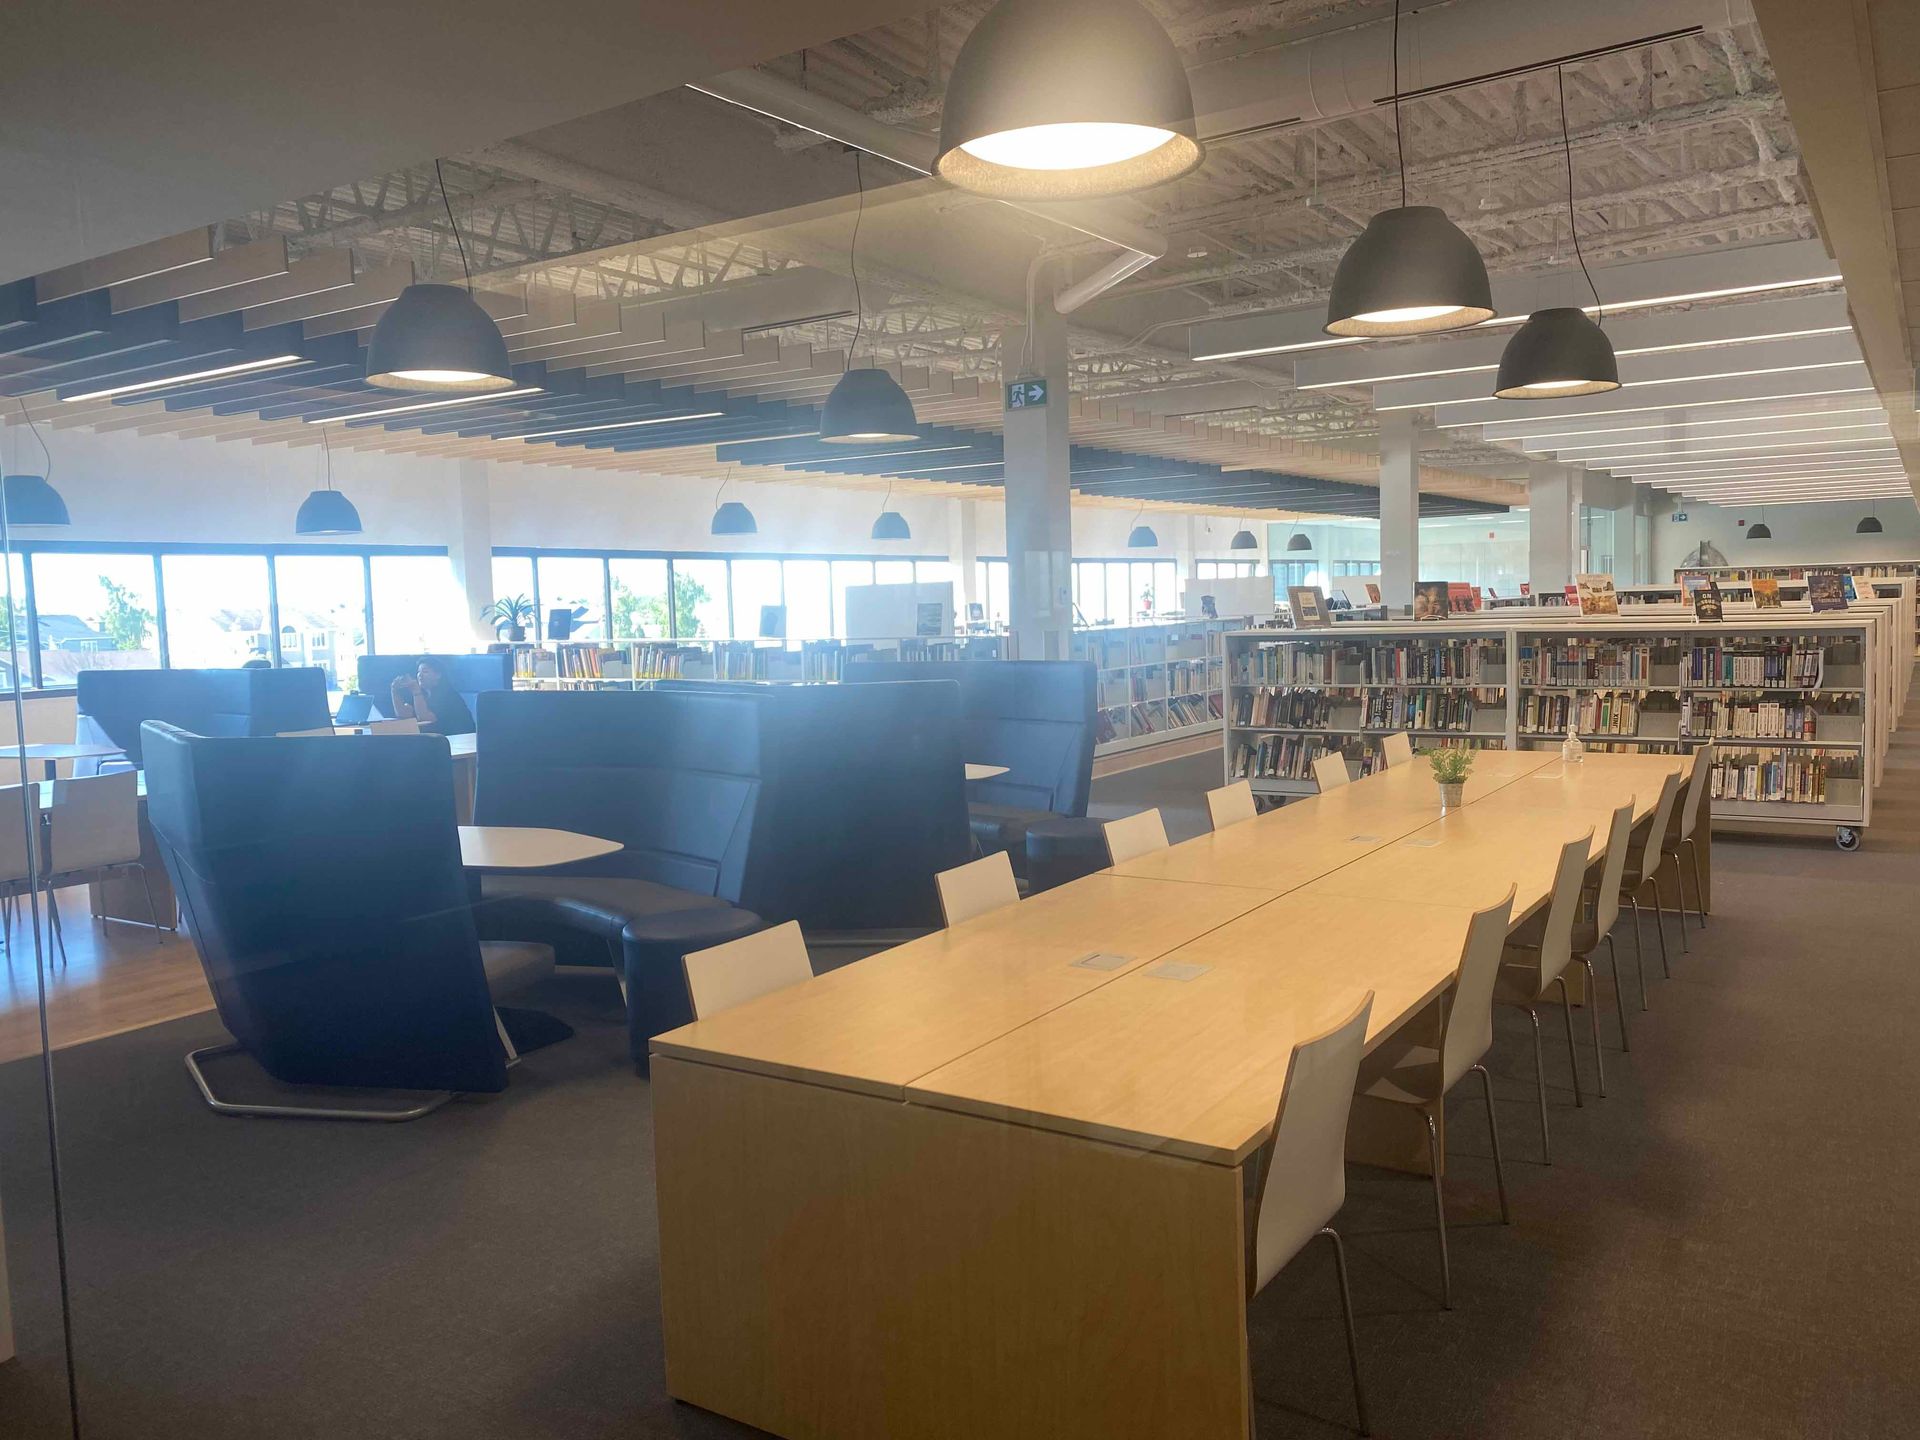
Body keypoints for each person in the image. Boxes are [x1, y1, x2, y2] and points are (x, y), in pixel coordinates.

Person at [388, 656, 475, 736]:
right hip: (437, 739)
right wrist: (394, 691)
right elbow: (404, 714)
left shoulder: (448, 696)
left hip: (459, 740)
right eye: (418, 672)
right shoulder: (423, 694)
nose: (420, 675)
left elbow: (425, 719)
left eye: (425, 672)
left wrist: (416, 691)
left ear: (438, 675)